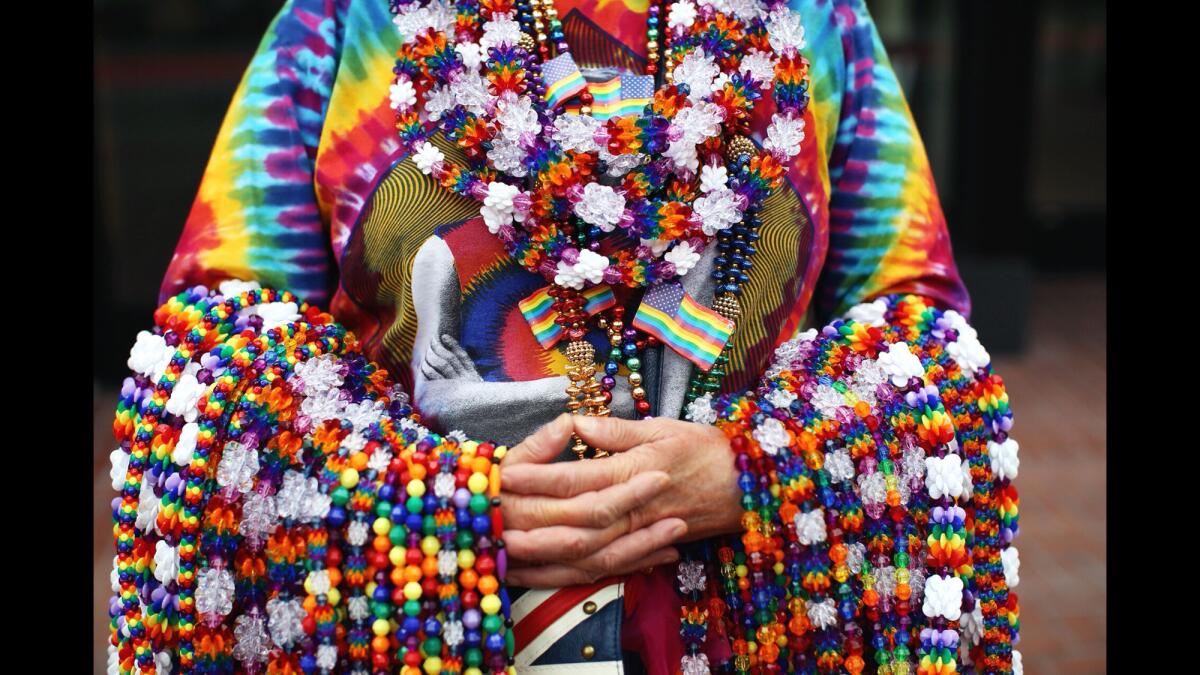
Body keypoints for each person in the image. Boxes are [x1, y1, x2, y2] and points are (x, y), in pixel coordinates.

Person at [144, 0, 1018, 673]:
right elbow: (221, 354)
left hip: (743, 622)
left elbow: (920, 333)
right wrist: (430, 500)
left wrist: (757, 466)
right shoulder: (349, 19)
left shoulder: (811, 20)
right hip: (427, 626)